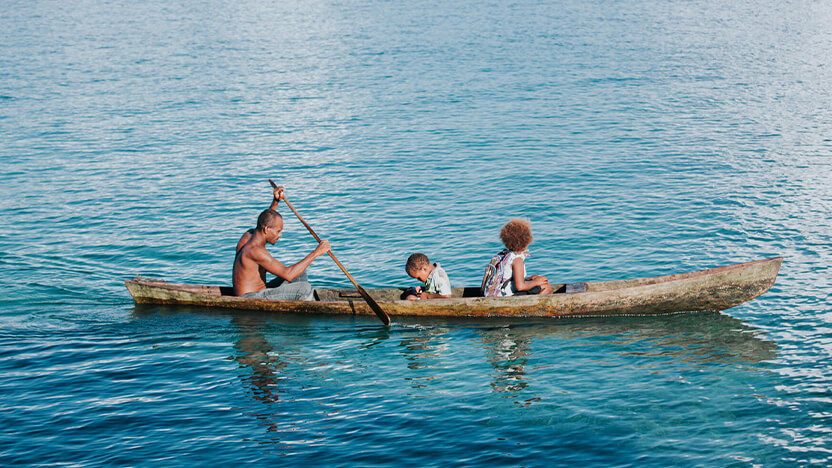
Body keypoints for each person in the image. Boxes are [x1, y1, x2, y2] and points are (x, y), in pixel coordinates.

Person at [233, 186, 330, 300]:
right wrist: (316, 252)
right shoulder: (256, 251)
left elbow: (266, 220)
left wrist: (275, 202)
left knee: (301, 274)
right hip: (250, 297)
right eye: (278, 231)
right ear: (267, 229)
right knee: (304, 289)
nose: (280, 235)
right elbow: (288, 275)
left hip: (260, 290)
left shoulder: (248, 236)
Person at [482, 219, 551, 297]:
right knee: (546, 287)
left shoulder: (506, 254)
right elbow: (520, 287)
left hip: (500, 290)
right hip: (504, 296)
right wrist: (536, 282)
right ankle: (533, 305)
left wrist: (521, 255)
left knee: (535, 277)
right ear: (527, 242)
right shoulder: (517, 261)